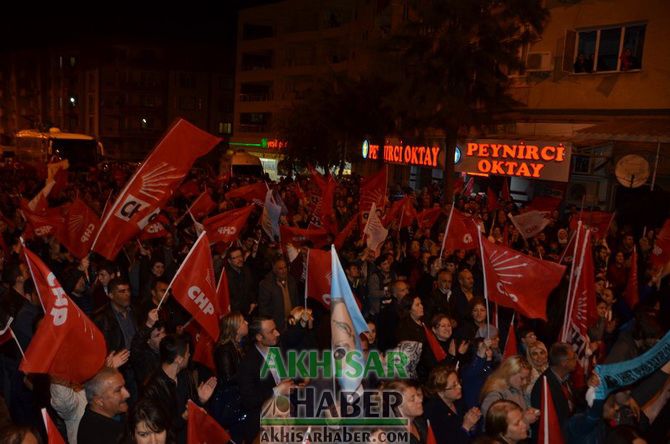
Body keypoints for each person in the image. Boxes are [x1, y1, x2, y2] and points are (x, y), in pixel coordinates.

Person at [141, 334, 217, 444]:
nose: (189, 355)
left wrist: (200, 400)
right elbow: (158, 426)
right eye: (187, 353)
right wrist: (183, 418)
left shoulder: (185, 376)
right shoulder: (153, 388)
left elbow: (191, 407)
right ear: (179, 359)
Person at [237, 316, 294, 443]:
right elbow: (249, 400)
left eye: (276, 329)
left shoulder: (276, 349)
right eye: (271, 331)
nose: (277, 333)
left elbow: (282, 378)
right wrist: (277, 391)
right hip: (264, 425)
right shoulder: (248, 364)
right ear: (259, 337)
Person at [211, 312, 248, 442]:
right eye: (243, 321)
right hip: (230, 401)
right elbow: (227, 379)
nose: (247, 323)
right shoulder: (224, 349)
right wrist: (249, 373)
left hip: (239, 397)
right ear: (235, 328)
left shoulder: (239, 344)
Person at [423, 363, 481, 443]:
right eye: (454, 386)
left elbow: (472, 434)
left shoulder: (457, 400)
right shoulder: (433, 412)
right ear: (441, 391)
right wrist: (466, 427)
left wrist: (473, 424)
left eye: (458, 382)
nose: (459, 387)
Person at [479, 355, 539, 428]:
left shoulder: (516, 388)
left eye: (527, 378)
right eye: (522, 378)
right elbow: (495, 424)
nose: (525, 382)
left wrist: (527, 412)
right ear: (509, 373)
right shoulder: (495, 394)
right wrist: (524, 420)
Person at [530, 342, 578, 428]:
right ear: (564, 363)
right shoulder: (544, 386)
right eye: (574, 358)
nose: (576, 360)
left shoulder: (565, 377)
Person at [78, 367, 130, 444]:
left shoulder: (95, 418)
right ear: (99, 401)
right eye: (118, 390)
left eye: (124, 387)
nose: (127, 394)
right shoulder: (99, 436)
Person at [258, 258, 300, 333]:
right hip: (277, 325)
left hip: (292, 323)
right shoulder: (266, 284)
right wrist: (271, 325)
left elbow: (296, 300)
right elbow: (263, 308)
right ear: (274, 270)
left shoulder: (291, 280)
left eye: (285, 267)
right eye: (280, 268)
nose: (284, 271)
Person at [225, 247, 258, 317]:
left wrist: (253, 301)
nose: (239, 259)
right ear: (229, 261)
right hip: (235, 315)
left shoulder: (246, 270)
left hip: (249, 311)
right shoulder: (225, 276)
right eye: (235, 258)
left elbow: (252, 288)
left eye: (240, 256)